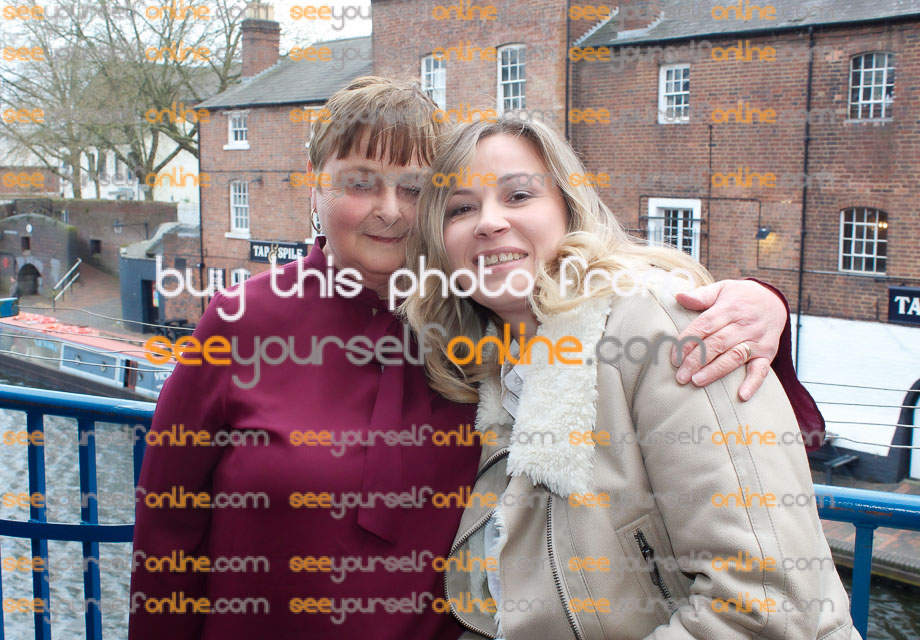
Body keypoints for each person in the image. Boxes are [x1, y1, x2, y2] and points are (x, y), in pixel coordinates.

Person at [129, 77, 806, 639]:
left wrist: (758, 303)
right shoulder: (242, 320)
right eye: (360, 182)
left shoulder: (475, 322)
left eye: (415, 189)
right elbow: (167, 529)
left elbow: (619, 313)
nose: (390, 211)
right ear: (316, 190)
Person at [401, 117, 858, 639]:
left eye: (519, 195)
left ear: (569, 208)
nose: (488, 222)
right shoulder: (492, 371)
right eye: (461, 208)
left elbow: (766, 607)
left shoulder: (658, 325)